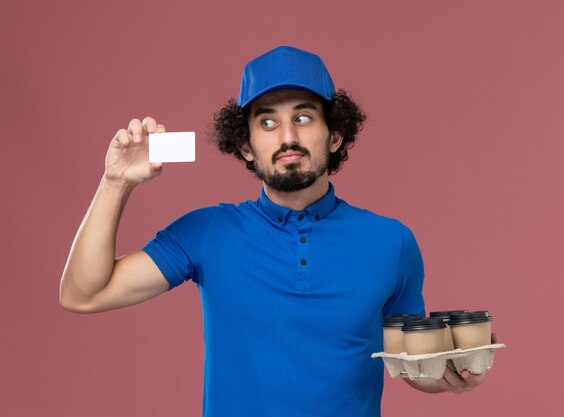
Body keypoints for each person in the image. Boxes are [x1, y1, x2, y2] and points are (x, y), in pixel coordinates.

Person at [60, 46, 495, 417]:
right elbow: (84, 294)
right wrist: (116, 182)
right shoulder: (207, 233)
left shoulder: (392, 242)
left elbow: (409, 362)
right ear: (246, 145)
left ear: (335, 135)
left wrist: (449, 375)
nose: (287, 136)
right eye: (267, 122)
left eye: (304, 118)